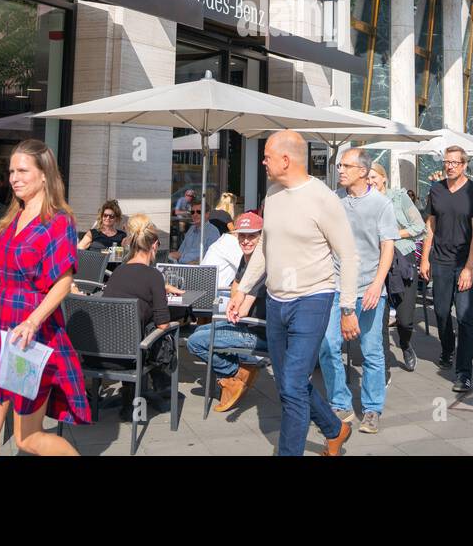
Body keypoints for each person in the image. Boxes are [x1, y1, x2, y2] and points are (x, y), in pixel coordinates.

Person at [228, 130, 358, 457]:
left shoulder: (323, 198)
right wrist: (243, 290)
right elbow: (264, 251)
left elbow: (349, 254)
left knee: (291, 389)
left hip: (313, 299)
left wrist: (347, 307)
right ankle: (334, 428)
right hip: (276, 301)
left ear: (286, 160)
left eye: (268, 156)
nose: (263, 161)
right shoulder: (272, 195)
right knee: (290, 383)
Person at [0, 139, 88, 455]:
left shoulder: (58, 221)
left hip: (31, 337)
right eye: (11, 171)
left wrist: (32, 323)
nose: (14, 178)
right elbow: (9, 274)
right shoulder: (14, 216)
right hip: (2, 331)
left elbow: (63, 282)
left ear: (44, 174)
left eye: (22, 170)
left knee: (27, 438)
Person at [318, 148, 399, 434]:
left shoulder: (381, 204)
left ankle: (372, 409)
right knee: (327, 345)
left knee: (371, 350)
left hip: (368, 287)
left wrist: (378, 284)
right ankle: (339, 403)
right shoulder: (334, 199)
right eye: (339, 165)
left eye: (346, 166)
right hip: (334, 285)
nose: (340, 170)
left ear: (363, 172)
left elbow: (387, 245)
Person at [99, 214, 183, 417]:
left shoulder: (118, 272)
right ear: (154, 246)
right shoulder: (154, 275)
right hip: (131, 357)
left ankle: (134, 397)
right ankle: (159, 386)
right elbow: (163, 324)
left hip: (101, 353)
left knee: (140, 328)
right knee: (159, 330)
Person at [420, 145, 473, 393]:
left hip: (464, 261)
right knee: (440, 311)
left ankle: (464, 373)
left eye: (454, 163)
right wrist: (424, 258)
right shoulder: (436, 190)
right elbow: (431, 227)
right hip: (440, 260)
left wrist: (470, 267)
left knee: (466, 317)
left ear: (464, 165)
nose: (448, 166)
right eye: (446, 162)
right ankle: (448, 347)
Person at [187, 212, 269, 413]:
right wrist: (237, 297)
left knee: (194, 342)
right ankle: (244, 367)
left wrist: (238, 299)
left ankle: (233, 375)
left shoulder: (263, 264)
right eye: (242, 236)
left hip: (258, 332)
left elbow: (241, 305)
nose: (246, 241)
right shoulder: (245, 259)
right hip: (245, 324)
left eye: (252, 236)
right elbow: (236, 288)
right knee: (198, 333)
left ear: (262, 237)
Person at [368, 162, 426, 373]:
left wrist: (391, 234)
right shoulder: (365, 201)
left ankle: (405, 344)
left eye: (374, 177)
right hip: (374, 258)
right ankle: (382, 365)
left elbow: (419, 226)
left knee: (405, 319)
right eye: (368, 177)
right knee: (379, 317)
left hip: (402, 257)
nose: (371, 181)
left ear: (384, 178)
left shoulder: (399, 197)